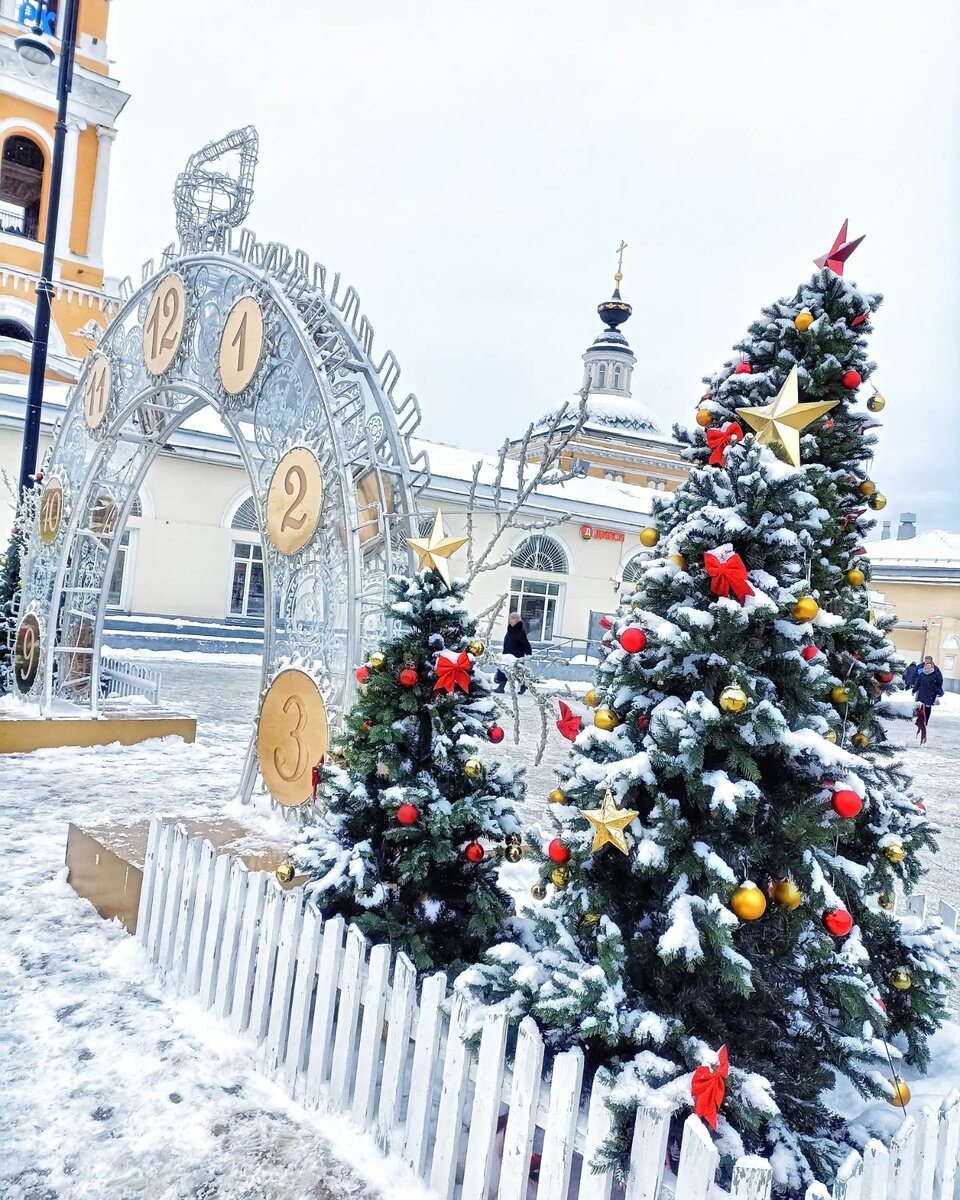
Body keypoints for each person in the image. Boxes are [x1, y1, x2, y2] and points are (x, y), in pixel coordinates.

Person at [494, 612, 533, 693]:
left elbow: (525, 643)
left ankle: (523, 685)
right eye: (509, 619)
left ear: (517, 620)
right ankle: (501, 687)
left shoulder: (520, 631)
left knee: (517, 672)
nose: (510, 621)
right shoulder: (511, 629)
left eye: (512, 619)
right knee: (503, 669)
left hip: (516, 656)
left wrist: (528, 653)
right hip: (507, 654)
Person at [913, 655, 944, 742]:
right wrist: (914, 688)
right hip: (922, 691)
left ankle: (925, 720)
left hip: (931, 692)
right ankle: (920, 719)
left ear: (931, 663)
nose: (926, 664)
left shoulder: (936, 672)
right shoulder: (921, 670)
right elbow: (916, 678)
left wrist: (938, 690)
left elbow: (940, 681)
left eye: (928, 662)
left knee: (927, 707)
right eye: (925, 663)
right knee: (920, 706)